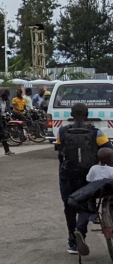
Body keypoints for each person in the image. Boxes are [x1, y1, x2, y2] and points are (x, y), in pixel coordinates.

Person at [57, 103, 101, 255]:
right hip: (88, 175)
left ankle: (72, 243)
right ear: (87, 114)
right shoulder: (96, 132)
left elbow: (59, 151)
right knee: (86, 204)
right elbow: (107, 149)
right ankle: (80, 232)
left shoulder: (62, 131)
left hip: (67, 174)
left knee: (69, 205)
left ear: (71, 114)